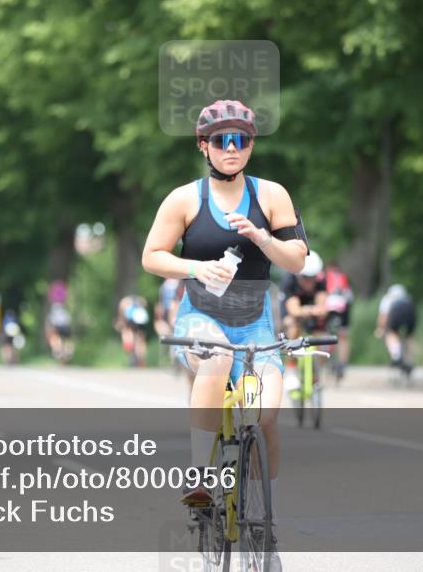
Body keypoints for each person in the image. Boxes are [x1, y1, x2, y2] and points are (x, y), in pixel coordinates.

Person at [141, 99, 309, 568]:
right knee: (214, 359)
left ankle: (266, 528)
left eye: (242, 140)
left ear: (252, 145)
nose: (232, 148)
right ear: (204, 146)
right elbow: (152, 255)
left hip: (256, 321)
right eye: (222, 140)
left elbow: (297, 259)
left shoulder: (271, 195)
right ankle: (199, 479)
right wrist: (196, 266)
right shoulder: (185, 199)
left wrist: (262, 238)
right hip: (201, 316)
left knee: (265, 416)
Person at [279, 250, 327, 394]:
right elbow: (294, 310)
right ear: (299, 275)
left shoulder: (320, 280)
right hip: (292, 305)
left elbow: (322, 306)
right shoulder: (290, 280)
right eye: (306, 278)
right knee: (293, 326)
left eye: (313, 278)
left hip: (309, 304)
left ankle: (317, 372)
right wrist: (309, 311)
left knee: (320, 334)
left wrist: (318, 311)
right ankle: (292, 371)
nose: (310, 281)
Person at [375, 284, 416, 378]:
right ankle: (409, 360)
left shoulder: (387, 298)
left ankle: (396, 356)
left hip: (397, 310)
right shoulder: (407, 297)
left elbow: (383, 316)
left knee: (391, 333)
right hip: (410, 309)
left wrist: (380, 328)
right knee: (409, 336)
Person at [323, 261, 354, 381]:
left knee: (324, 332)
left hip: (329, 304)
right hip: (344, 305)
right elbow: (350, 297)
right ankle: (343, 363)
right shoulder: (343, 277)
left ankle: (325, 359)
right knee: (343, 335)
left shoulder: (323, 276)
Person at [115, 294, 149, 367]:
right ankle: (141, 359)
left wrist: (121, 323)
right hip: (141, 322)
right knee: (141, 340)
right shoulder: (140, 300)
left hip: (130, 322)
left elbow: (122, 316)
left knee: (127, 334)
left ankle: (132, 356)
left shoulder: (124, 302)